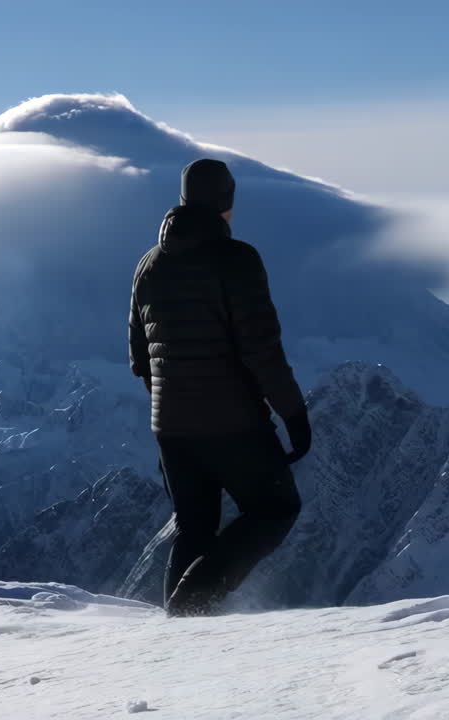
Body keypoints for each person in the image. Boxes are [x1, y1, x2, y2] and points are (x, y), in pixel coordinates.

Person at [128, 158, 312, 617]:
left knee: (194, 527)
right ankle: (193, 604)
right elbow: (261, 350)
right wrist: (294, 414)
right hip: (233, 422)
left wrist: (173, 403)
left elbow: (139, 357)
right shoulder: (237, 260)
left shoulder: (148, 266)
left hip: (170, 426)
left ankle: (180, 629)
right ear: (226, 201)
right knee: (275, 509)